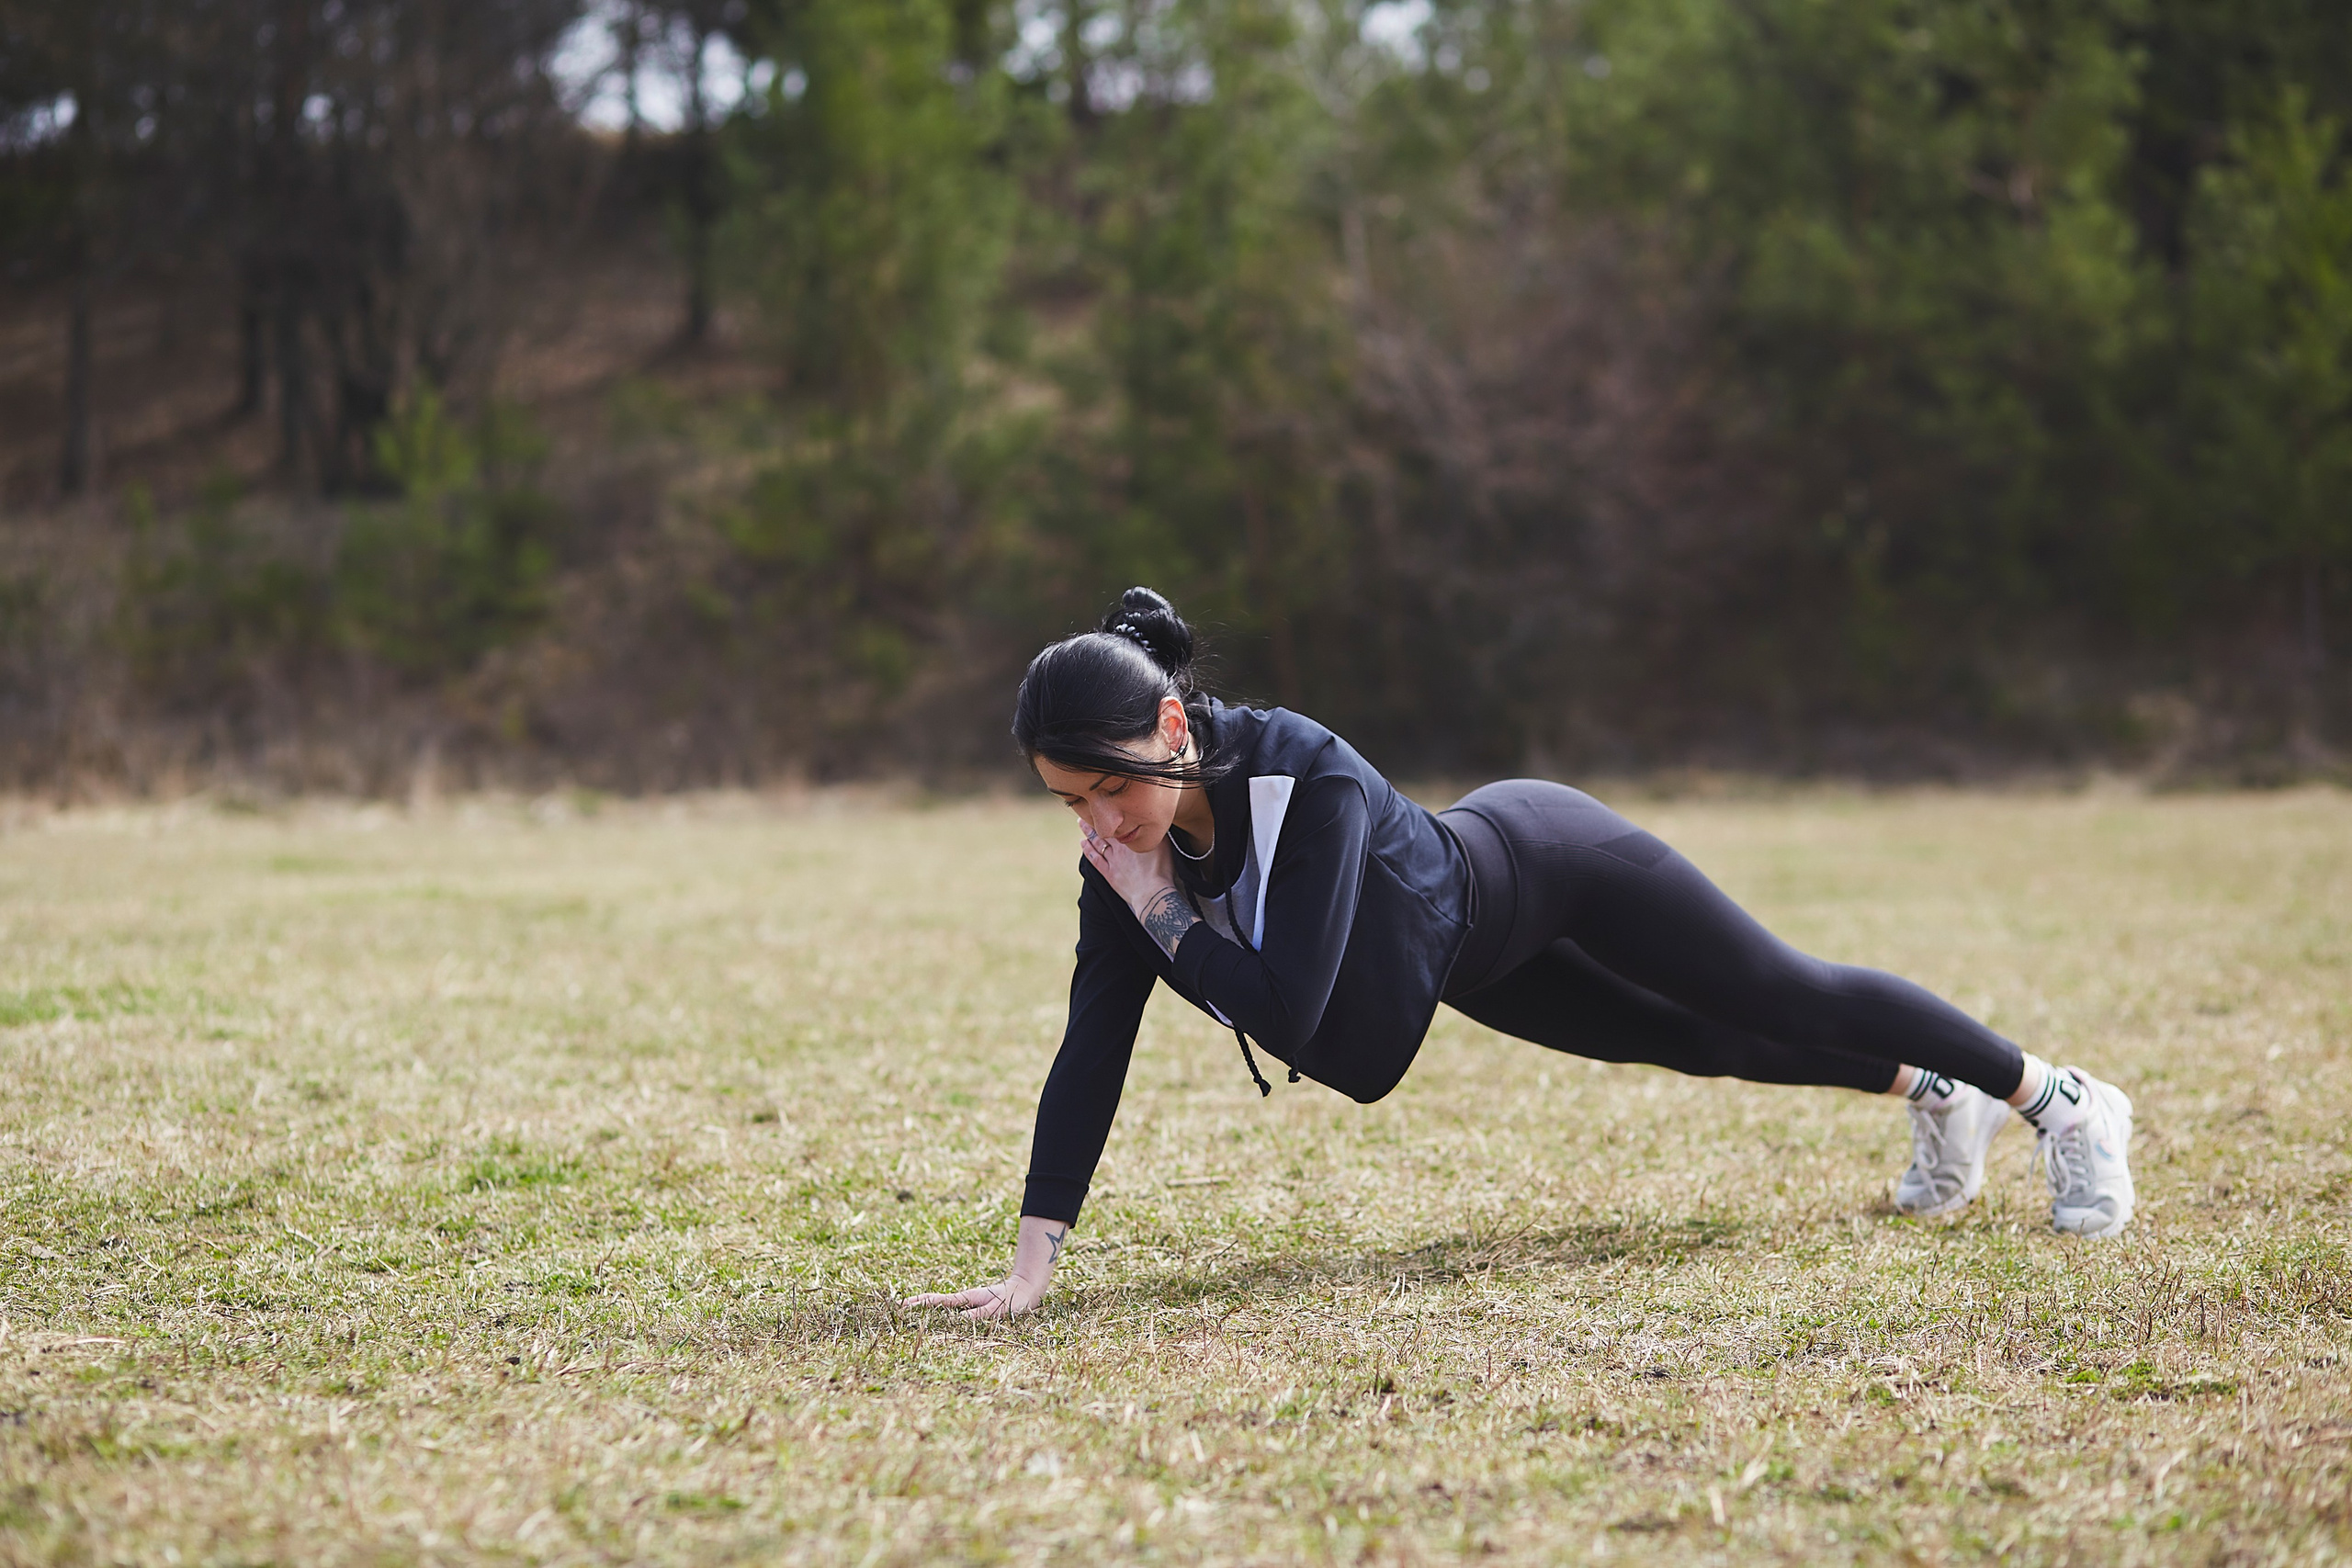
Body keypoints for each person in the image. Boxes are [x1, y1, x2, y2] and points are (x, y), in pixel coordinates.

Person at [904, 589, 2136, 1321]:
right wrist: (1031, 1268)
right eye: (1069, 803)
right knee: (1692, 1042)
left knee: (1782, 990)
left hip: (1552, 863)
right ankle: (1933, 1088)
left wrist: (1166, 919)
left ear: (1172, 726)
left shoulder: (1299, 773)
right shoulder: (1124, 860)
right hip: (1470, 954)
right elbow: (1092, 1045)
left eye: (1112, 787)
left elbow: (1322, 1029)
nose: (1101, 824)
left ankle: (2060, 1100)